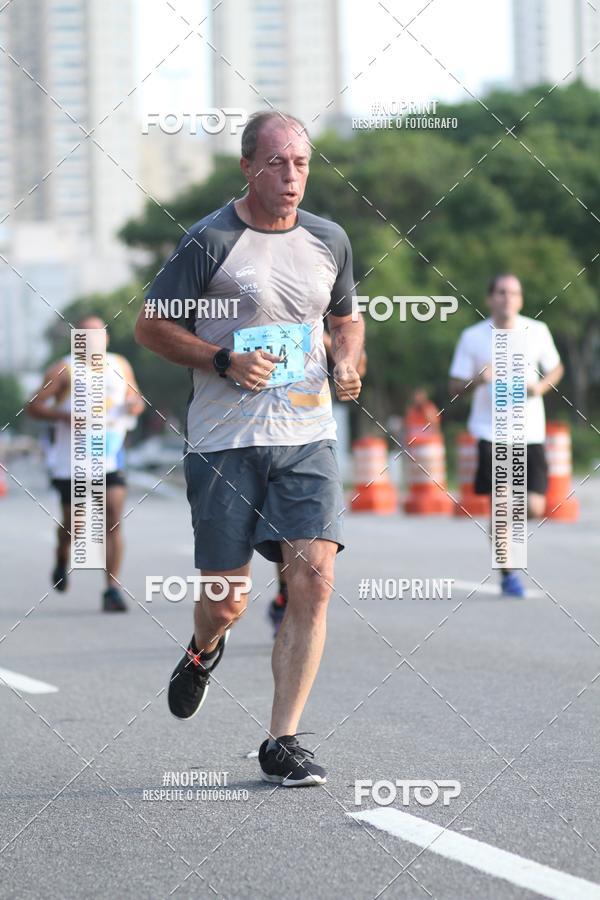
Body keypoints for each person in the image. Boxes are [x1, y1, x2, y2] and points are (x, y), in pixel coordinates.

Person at [135, 110, 365, 785]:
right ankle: (204, 646)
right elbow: (151, 327)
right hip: (224, 443)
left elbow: (346, 319)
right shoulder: (209, 240)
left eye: (301, 164)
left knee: (314, 578)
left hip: (307, 436)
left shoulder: (329, 238)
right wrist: (221, 359)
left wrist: (347, 360)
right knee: (226, 601)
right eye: (276, 163)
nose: (291, 176)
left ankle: (282, 740)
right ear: (247, 167)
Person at [449, 273, 564, 596]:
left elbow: (556, 368)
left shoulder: (537, 331)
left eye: (514, 293)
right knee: (501, 504)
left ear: (521, 299)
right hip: (492, 432)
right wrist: (478, 379)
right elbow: (455, 386)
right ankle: (508, 574)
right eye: (501, 292)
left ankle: (504, 523)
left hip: (530, 431)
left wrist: (540, 387)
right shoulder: (473, 337)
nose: (507, 298)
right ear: (490, 298)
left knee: (535, 507)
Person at [28, 315, 145, 611]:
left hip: (109, 458)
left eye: (99, 334)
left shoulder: (119, 365)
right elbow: (33, 406)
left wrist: (134, 405)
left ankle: (112, 590)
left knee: (113, 519)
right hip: (72, 462)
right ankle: (62, 555)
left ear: (106, 338)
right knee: (75, 525)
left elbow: (136, 398)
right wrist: (64, 416)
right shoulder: (63, 369)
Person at [266, 328, 367, 637]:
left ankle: (289, 599)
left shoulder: (332, 317)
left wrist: (325, 345)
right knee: (273, 536)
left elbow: (358, 366)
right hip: (252, 432)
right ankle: (284, 592)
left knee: (298, 535)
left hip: (307, 437)